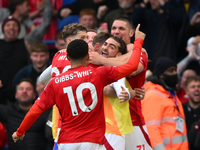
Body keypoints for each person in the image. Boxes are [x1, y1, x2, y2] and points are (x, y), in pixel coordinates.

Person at [12, 25, 145, 149]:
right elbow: (132, 66)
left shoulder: (55, 82)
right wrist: (138, 40)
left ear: (68, 56)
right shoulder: (99, 74)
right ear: (88, 56)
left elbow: (35, 110)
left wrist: (20, 131)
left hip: (66, 141)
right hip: (92, 141)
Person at [89, 16, 152, 150]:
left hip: (132, 120)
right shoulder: (102, 55)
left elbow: (132, 68)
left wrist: (101, 60)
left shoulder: (139, 53)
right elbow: (102, 88)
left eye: (121, 28)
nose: (116, 31)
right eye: (114, 28)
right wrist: (132, 92)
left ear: (131, 33)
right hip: (107, 123)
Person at [0, 0, 52, 102]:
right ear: (3, 29)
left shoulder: (26, 42)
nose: (11, 27)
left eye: (15, 25)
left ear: (19, 29)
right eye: (8, 25)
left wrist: (47, 2)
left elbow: (46, 23)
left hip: (24, 91)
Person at [142, 57, 189, 150]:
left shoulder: (170, 93)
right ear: (160, 75)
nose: (174, 73)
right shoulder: (153, 96)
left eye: (175, 70)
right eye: (170, 71)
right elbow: (151, 130)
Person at [0, 78, 53, 150]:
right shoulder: (8, 111)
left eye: (28, 89)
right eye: (21, 89)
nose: (24, 91)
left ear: (34, 95)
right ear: (15, 95)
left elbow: (50, 138)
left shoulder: (44, 112)